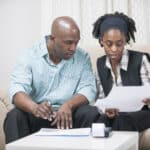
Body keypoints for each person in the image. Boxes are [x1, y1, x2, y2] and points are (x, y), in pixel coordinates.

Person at [4, 16, 97, 143]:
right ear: (53, 39)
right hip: (38, 115)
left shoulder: (82, 57)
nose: (74, 48)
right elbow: (17, 89)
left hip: (69, 116)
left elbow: (89, 88)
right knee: (14, 116)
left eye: (76, 42)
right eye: (69, 42)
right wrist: (34, 108)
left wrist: (68, 105)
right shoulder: (30, 55)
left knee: (90, 112)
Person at [76, 12, 150, 132]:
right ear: (101, 41)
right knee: (99, 121)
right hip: (116, 114)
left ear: (125, 40)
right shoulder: (100, 64)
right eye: (109, 44)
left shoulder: (140, 59)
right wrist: (106, 109)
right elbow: (101, 98)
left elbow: (147, 89)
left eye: (119, 44)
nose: (114, 49)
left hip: (141, 113)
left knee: (123, 120)